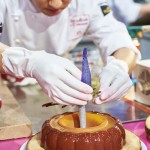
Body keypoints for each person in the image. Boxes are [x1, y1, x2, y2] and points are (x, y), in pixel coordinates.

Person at [0, 0, 141, 106]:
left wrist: (120, 66)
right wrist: (27, 63)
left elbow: (118, 38)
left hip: (62, 85)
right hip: (6, 86)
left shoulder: (89, 3)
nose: (55, 4)